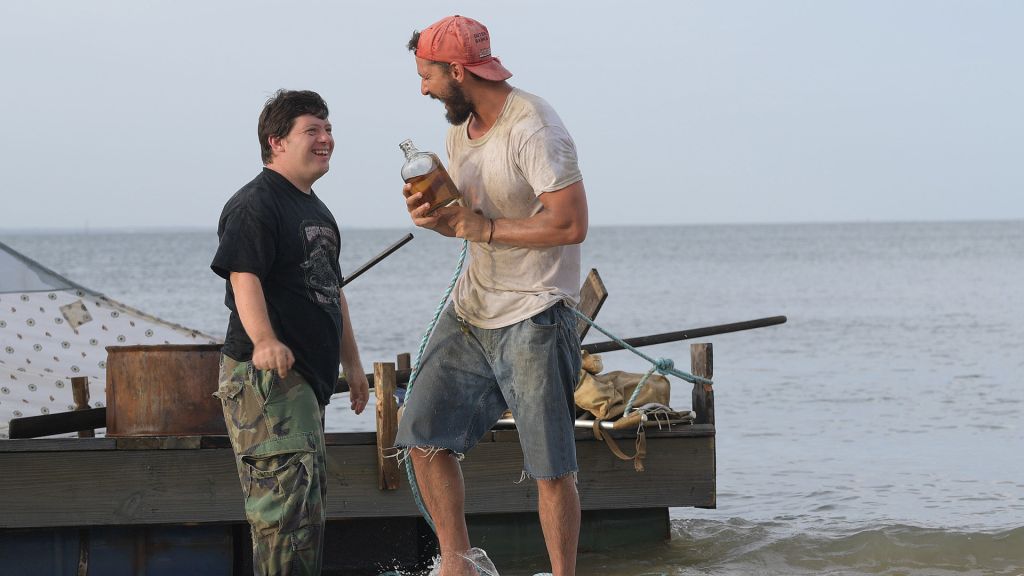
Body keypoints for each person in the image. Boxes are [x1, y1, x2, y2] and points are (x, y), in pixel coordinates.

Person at [394, 15, 589, 576]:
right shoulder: (459, 131)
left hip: (536, 310)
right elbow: (467, 219)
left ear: (457, 70)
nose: (423, 88)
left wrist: (484, 230)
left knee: (552, 469)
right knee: (422, 434)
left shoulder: (534, 127)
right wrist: (439, 219)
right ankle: (459, 565)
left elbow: (570, 224)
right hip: (472, 305)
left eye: (427, 75)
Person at [210, 89, 369, 575]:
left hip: (305, 385)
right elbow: (244, 277)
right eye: (312, 130)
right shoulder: (256, 203)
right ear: (276, 141)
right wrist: (264, 341)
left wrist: (354, 366)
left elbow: (331, 293)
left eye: (328, 129)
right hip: (268, 384)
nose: (326, 139)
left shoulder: (317, 211)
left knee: (306, 512)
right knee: (284, 518)